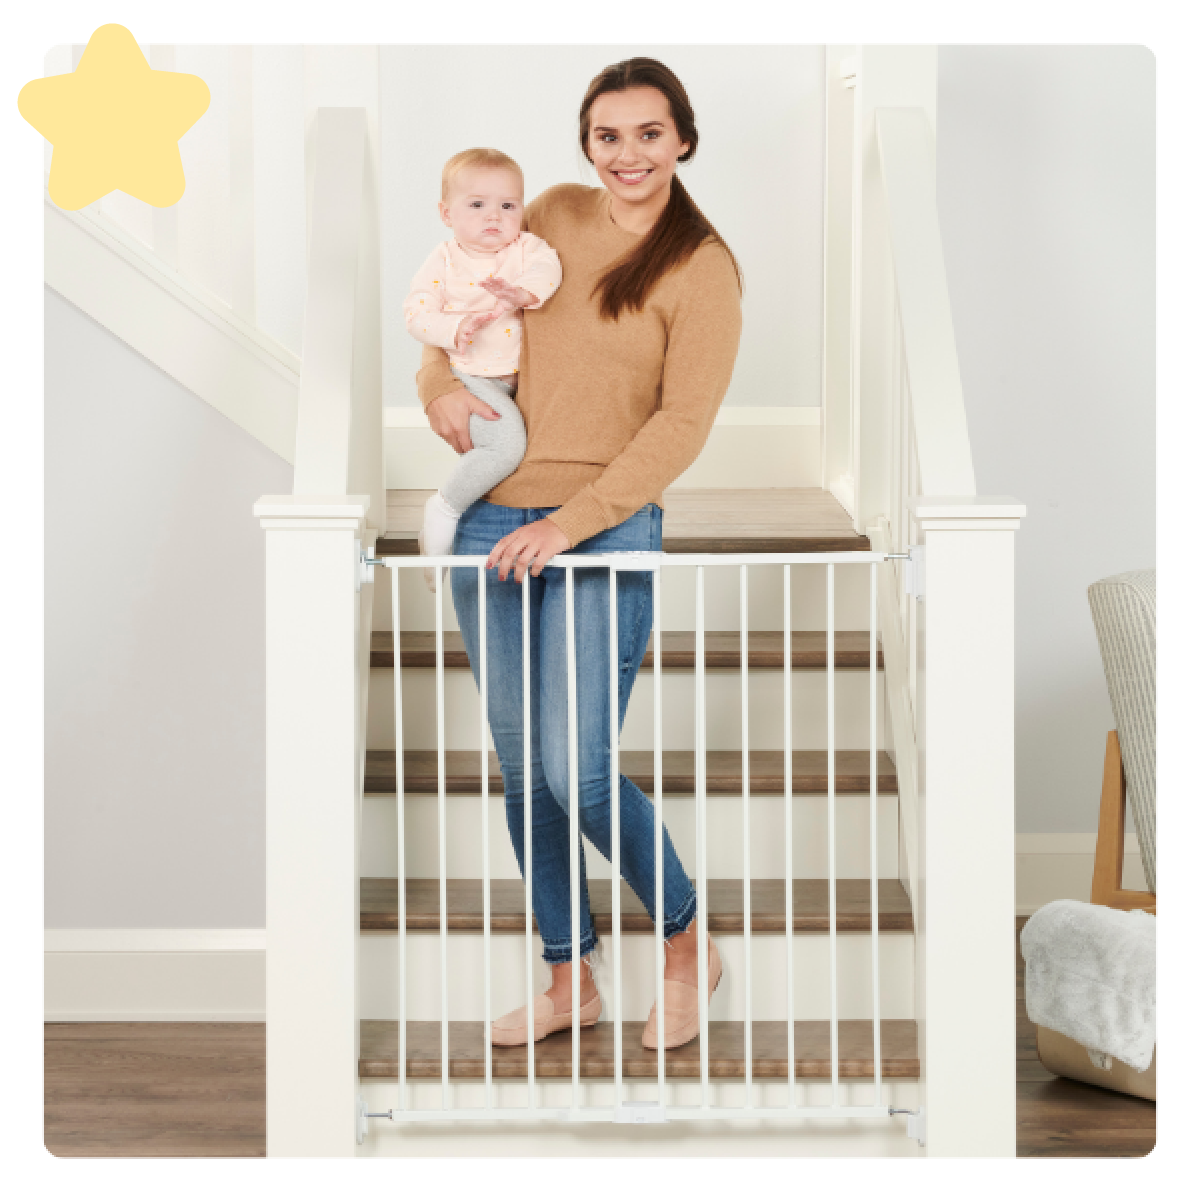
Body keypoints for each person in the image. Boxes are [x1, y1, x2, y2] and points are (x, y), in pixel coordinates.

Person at [417, 57, 743, 1051]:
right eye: (608, 135)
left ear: (683, 137)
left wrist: (572, 521)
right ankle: (570, 977)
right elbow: (448, 304)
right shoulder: (548, 214)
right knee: (525, 770)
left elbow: (681, 426)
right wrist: (435, 389)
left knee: (580, 769)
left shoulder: (702, 267)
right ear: (585, 143)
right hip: (490, 519)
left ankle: (686, 939)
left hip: (603, 526)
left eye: (649, 133)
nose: (628, 154)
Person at [405, 148, 562, 591]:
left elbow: (547, 266)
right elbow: (415, 314)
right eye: (477, 205)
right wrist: (456, 328)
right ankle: (446, 509)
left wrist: (523, 294)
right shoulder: (445, 260)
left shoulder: (525, 249)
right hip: (474, 376)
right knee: (506, 446)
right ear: (446, 213)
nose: (494, 217)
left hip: (524, 380)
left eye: (508, 206)